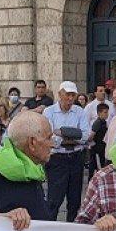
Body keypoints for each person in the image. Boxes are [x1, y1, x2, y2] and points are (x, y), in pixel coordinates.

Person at [43, 81, 91, 221]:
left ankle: (72, 229)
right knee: (54, 199)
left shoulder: (79, 111)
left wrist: (62, 133)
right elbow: (51, 137)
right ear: (60, 94)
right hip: (58, 159)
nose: (70, 98)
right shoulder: (49, 111)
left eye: (73, 95)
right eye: (67, 95)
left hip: (76, 157)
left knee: (75, 199)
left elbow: (85, 136)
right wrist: (73, 135)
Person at [90, 102, 110, 176]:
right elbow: (92, 135)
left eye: (107, 112)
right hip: (97, 150)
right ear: (99, 113)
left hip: (102, 149)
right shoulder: (97, 123)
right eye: (105, 112)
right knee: (98, 168)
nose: (107, 114)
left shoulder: (104, 122)